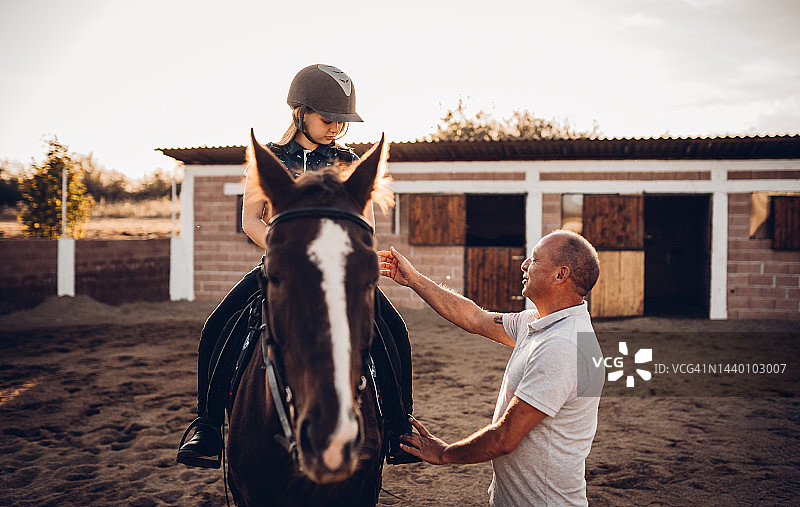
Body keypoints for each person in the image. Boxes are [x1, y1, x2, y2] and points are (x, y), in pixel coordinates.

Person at [177, 64, 418, 469]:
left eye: (342, 122)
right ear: (300, 112)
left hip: (336, 270)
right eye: (329, 120)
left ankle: (398, 425)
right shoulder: (268, 158)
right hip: (281, 266)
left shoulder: (349, 161)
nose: (336, 130)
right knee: (218, 327)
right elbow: (251, 219)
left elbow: (367, 224)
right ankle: (206, 425)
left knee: (394, 331)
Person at [377, 229, 604, 506]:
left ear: (560, 275)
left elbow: (505, 438)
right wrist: (413, 280)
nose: (524, 264)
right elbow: (474, 317)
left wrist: (445, 453)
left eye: (534, 259)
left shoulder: (564, 346)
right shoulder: (538, 323)